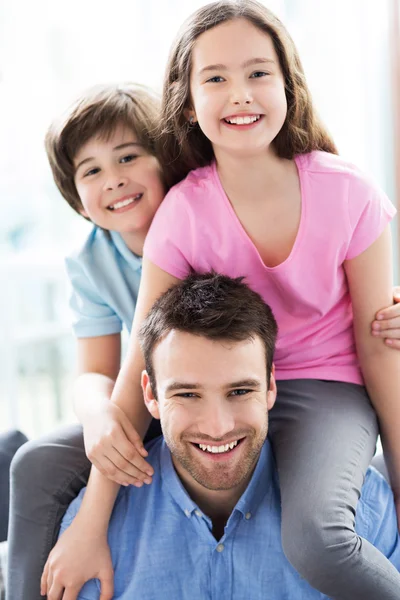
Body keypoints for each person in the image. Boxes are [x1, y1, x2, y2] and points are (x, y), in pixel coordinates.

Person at [40, 2, 400, 599]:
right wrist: (90, 520)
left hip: (326, 390)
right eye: (215, 78)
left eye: (259, 73)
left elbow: (380, 342)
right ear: (186, 101)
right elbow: (140, 366)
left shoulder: (350, 192)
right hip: (222, 396)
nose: (240, 94)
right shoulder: (183, 213)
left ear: (289, 85)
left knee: (317, 538)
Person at [58, 273, 400, 600]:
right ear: (150, 394)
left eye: (239, 391)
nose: (218, 427)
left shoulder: (363, 511)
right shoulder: (92, 531)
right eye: (187, 395)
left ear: (270, 386)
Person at [6, 83, 166, 600]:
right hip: (143, 402)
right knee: (32, 459)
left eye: (128, 156)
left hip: (203, 398)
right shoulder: (91, 259)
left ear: (166, 159)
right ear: (77, 200)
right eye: (91, 170)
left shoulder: (193, 223)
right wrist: (96, 413)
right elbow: (96, 368)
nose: (113, 179)